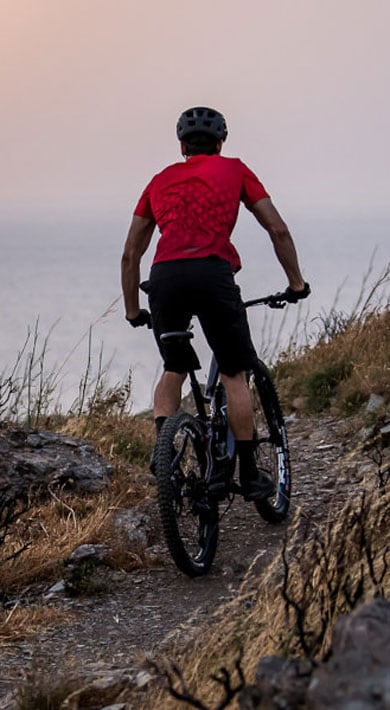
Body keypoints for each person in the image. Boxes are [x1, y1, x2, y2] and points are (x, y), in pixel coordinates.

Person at [121, 106, 310, 501]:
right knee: (233, 372)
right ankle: (249, 475)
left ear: (182, 146)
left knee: (173, 368)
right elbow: (277, 228)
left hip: (165, 278)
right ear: (221, 142)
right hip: (212, 273)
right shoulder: (236, 170)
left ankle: (164, 452)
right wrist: (296, 283)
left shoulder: (159, 181)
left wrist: (133, 310)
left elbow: (130, 254)